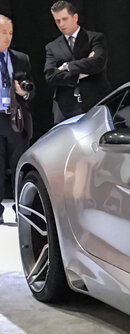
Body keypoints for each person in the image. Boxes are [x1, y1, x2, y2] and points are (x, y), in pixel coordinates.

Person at [44, 1, 111, 123]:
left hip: (94, 102)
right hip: (65, 108)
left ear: (75, 17)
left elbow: (98, 63)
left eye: (65, 19)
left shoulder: (95, 38)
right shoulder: (52, 47)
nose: (61, 24)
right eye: (57, 21)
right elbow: (50, 76)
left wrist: (67, 66)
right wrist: (80, 74)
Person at [0, 15, 34, 225]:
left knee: (19, 166)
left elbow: (32, 89)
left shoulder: (21, 59)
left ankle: (21, 209)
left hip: (15, 118)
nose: (8, 37)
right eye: (3, 32)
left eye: (10, 33)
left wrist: (24, 92)